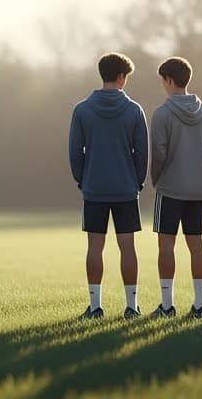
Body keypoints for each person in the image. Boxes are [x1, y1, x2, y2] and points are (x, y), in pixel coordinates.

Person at [69, 52, 149, 320]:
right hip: (126, 188)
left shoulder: (82, 110)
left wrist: (83, 179)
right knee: (128, 247)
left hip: (94, 188)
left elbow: (74, 152)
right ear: (121, 77)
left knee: (95, 247)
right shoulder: (135, 110)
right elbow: (142, 153)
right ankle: (131, 306)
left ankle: (94, 308)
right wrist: (136, 181)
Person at [148, 57, 202, 319]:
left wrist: (155, 178)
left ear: (168, 80)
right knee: (196, 246)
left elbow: (158, 153)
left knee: (166, 246)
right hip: (198, 188)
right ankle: (199, 305)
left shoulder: (162, 113)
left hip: (170, 188)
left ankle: (167, 306)